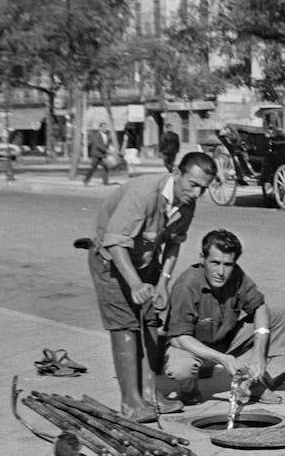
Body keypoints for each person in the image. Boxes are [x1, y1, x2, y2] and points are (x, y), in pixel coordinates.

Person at [86, 151, 217, 421]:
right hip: (112, 261)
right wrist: (135, 284)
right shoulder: (144, 193)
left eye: (203, 189)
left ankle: (149, 394)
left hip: (145, 262)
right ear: (177, 174)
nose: (196, 193)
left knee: (149, 323)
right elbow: (115, 242)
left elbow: (173, 244)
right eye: (193, 184)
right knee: (125, 326)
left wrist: (163, 283)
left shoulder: (187, 204)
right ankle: (131, 403)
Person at [161, 229, 285, 406]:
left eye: (227, 264)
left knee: (277, 317)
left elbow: (259, 307)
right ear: (202, 258)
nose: (221, 272)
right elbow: (179, 338)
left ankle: (249, 383)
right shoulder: (186, 286)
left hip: (225, 341)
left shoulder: (237, 276)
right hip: (192, 348)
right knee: (181, 368)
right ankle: (189, 390)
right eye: (215, 263)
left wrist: (259, 354)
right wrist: (222, 359)